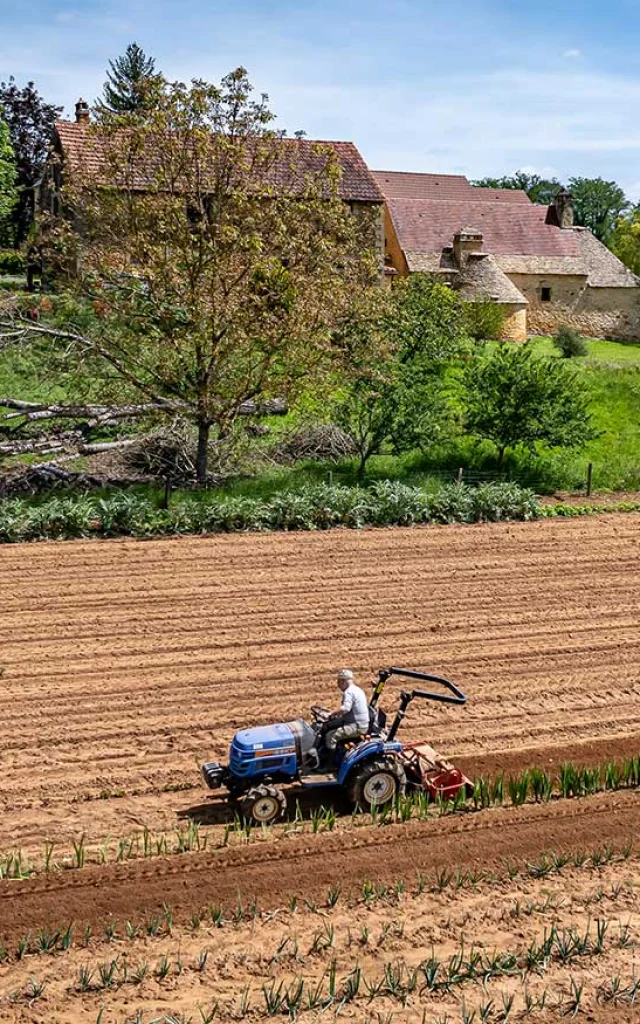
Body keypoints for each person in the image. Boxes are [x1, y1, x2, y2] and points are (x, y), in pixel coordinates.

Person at [321, 669, 370, 765]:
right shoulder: (358, 689)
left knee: (330, 736)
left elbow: (346, 709)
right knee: (328, 725)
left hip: (357, 725)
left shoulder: (349, 692)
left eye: (339, 681)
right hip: (358, 722)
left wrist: (331, 714)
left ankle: (328, 765)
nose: (338, 685)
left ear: (344, 681)